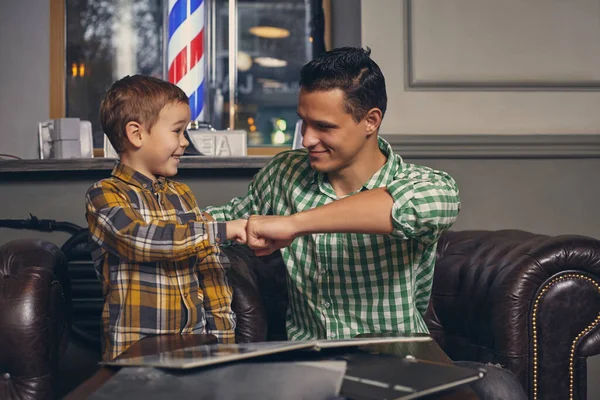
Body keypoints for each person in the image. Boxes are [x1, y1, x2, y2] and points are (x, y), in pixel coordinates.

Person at [205, 47, 527, 399]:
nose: (307, 139)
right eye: (304, 122)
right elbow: (224, 218)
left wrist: (294, 224)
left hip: (402, 360)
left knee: (499, 387)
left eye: (324, 126)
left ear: (370, 121)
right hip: (312, 367)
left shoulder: (424, 184)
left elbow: (417, 208)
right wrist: (159, 227)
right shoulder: (285, 173)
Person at [85, 75, 247, 361]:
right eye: (178, 131)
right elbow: (138, 240)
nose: (185, 142)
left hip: (196, 349)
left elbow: (211, 271)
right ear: (136, 134)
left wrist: (224, 342)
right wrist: (219, 230)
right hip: (134, 356)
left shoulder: (183, 195)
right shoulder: (104, 195)